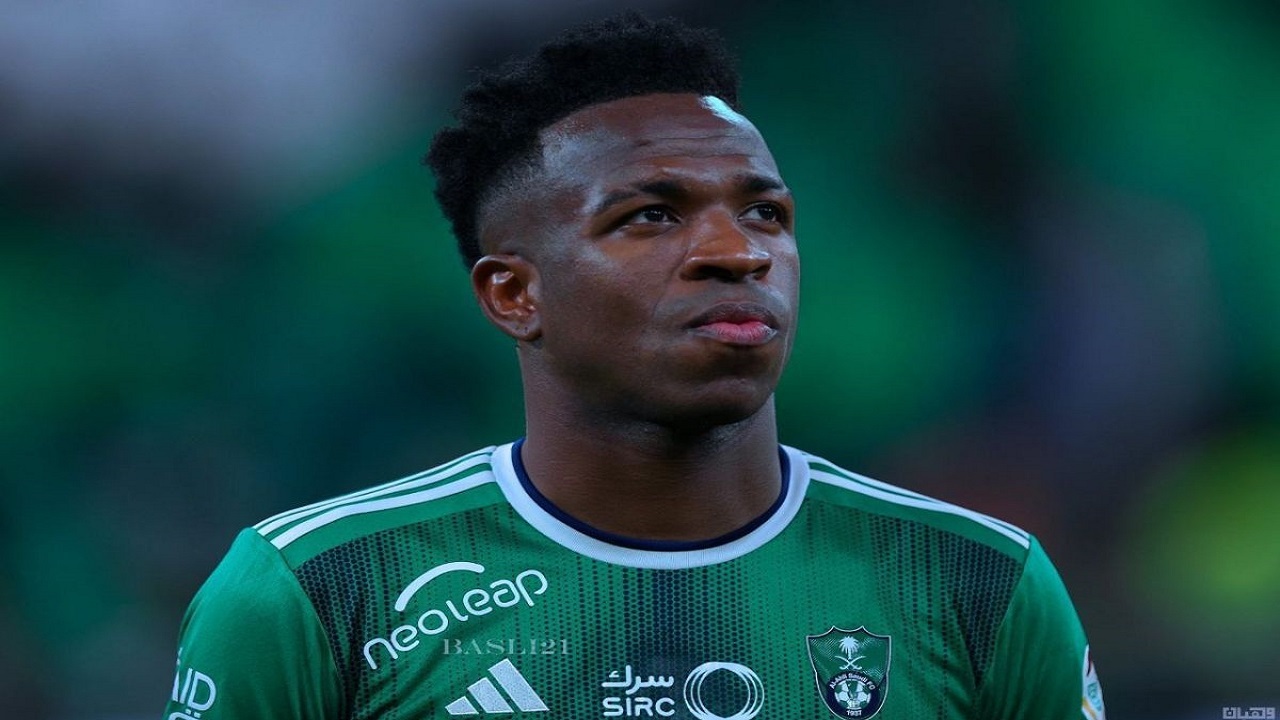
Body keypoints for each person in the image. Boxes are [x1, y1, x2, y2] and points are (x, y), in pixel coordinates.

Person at [163, 13, 1106, 720]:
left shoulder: (978, 583)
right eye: (650, 216)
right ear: (514, 295)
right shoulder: (319, 590)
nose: (737, 252)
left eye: (766, 213)